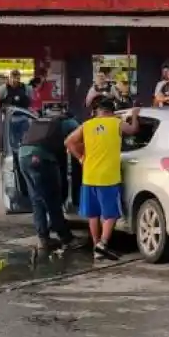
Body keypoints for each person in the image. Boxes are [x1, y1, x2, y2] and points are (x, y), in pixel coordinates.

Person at [65, 97, 140, 261]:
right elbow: (133, 130)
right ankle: (103, 245)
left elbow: (69, 142)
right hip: (108, 177)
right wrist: (134, 114)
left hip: (89, 176)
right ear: (111, 112)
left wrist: (80, 157)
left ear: (97, 112)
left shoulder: (87, 125)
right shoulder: (116, 123)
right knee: (111, 214)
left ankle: (96, 246)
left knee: (93, 214)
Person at [18, 109, 86, 256]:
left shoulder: (41, 121)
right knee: (52, 199)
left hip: (23, 156)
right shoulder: (70, 122)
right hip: (41, 158)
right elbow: (80, 140)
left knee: (37, 199)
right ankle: (66, 238)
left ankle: (43, 239)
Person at [0, 69, 33, 149]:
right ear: (9, 78)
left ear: (19, 79)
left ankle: (21, 154)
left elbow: (30, 101)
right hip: (10, 119)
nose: (15, 81)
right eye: (13, 78)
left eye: (17, 79)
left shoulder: (26, 88)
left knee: (25, 139)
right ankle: (13, 156)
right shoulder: (3, 88)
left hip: (23, 118)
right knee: (11, 141)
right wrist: (3, 111)